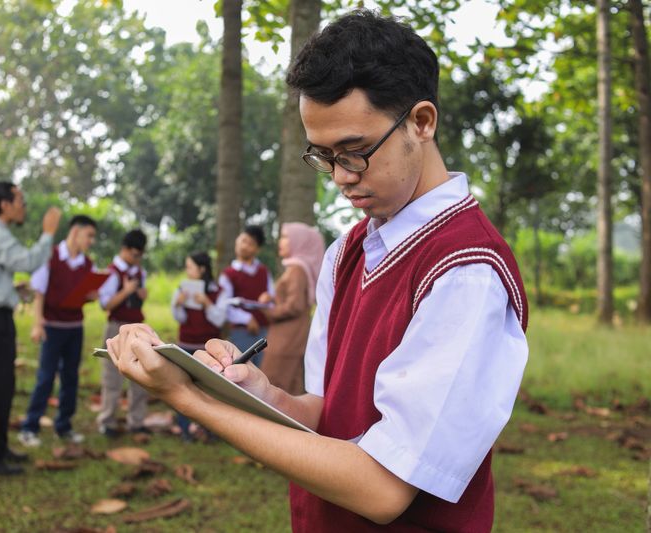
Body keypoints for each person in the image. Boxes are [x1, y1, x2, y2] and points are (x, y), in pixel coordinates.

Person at [104, 10, 529, 532]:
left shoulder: (465, 272)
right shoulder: (348, 250)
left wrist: (186, 398)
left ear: (422, 121)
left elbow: (382, 487)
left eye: (355, 152)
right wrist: (259, 395)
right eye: (323, 156)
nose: (340, 179)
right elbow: (327, 413)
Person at [0, 182, 61, 475]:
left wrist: (11, 290)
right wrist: (48, 233)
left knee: (0, 388)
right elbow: (29, 261)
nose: (24, 206)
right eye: (20, 200)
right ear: (4, 205)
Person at [17, 215, 99, 447]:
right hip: (52, 327)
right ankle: (30, 427)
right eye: (89, 235)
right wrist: (37, 323)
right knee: (45, 377)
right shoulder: (50, 257)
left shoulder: (87, 264)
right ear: (75, 232)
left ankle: (64, 426)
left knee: (70, 378)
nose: (91, 241)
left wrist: (91, 296)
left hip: (75, 327)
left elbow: (82, 294)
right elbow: (39, 291)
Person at [259, 223, 324, 395]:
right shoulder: (297, 268)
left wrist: (267, 310)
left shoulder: (297, 270)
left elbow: (294, 306)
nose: (281, 242)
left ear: (299, 242)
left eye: (286, 237)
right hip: (289, 335)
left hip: (286, 338)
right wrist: (272, 298)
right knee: (291, 384)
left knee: (274, 386)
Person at [96, 229, 150, 437]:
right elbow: (105, 304)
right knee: (112, 377)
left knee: (140, 376)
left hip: (137, 327)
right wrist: (126, 291)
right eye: (135, 254)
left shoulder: (140, 272)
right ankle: (107, 421)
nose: (137, 259)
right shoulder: (112, 272)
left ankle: (136, 421)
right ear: (125, 249)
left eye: (140, 255)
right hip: (116, 326)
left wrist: (141, 294)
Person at [170, 251, 226, 440]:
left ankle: (212, 430)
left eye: (190, 267)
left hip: (209, 347)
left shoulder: (217, 290)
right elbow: (179, 318)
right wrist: (178, 305)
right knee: (183, 386)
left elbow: (219, 320)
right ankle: (185, 429)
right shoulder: (182, 289)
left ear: (201, 269)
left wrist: (208, 304)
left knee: (210, 389)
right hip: (186, 344)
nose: (187, 271)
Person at [218, 225, 275, 366]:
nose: (245, 246)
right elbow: (224, 305)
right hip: (240, 332)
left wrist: (269, 299)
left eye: (250, 244)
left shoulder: (264, 272)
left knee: (263, 373)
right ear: (237, 241)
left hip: (264, 332)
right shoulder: (228, 274)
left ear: (257, 249)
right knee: (242, 371)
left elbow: (272, 299)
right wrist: (246, 318)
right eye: (243, 240)